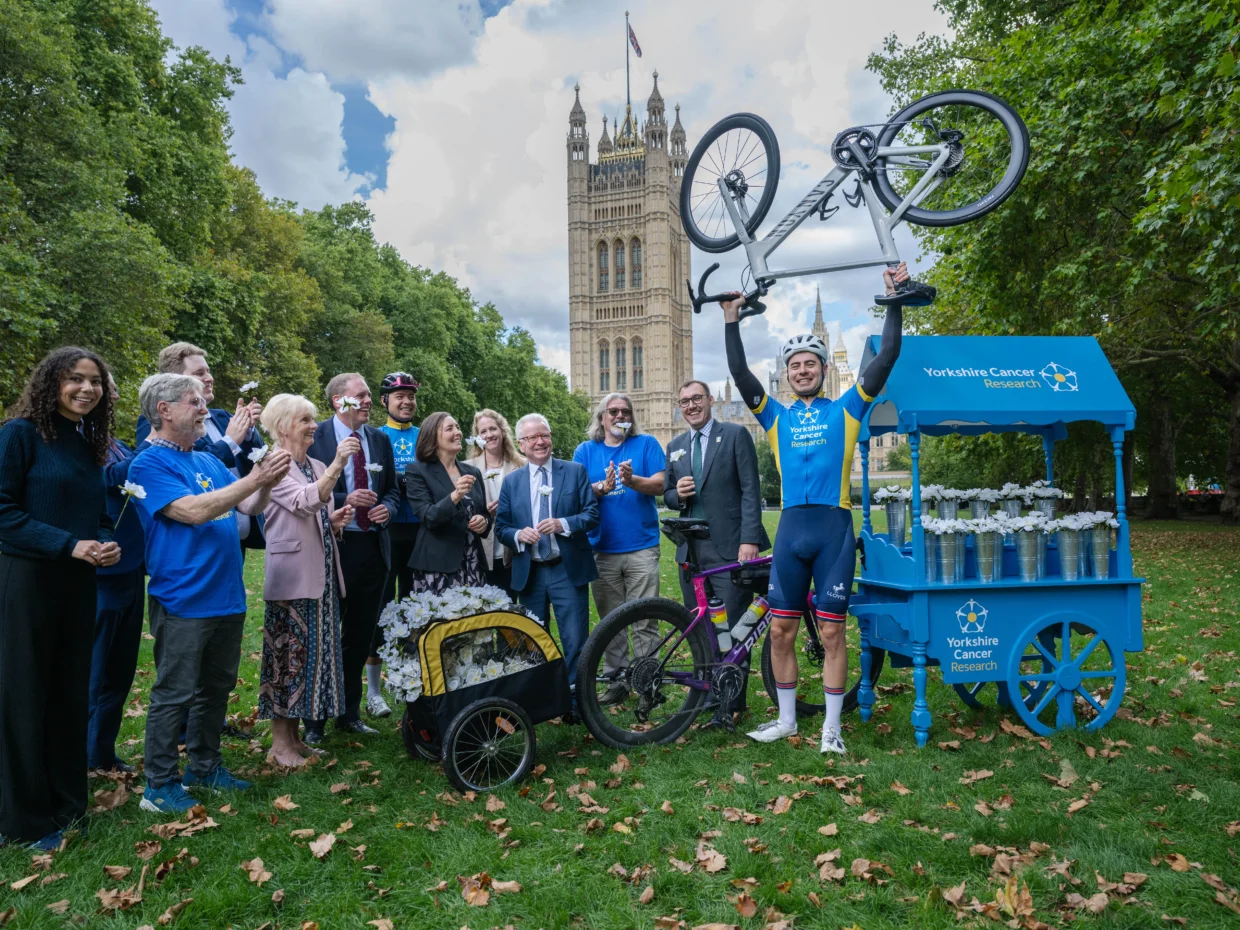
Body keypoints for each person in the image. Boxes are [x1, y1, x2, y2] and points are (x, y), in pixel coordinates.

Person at [723, 263, 909, 754]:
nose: (802, 370)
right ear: (786, 375)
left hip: (832, 529)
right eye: (794, 365)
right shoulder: (775, 416)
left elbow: (887, 355)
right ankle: (786, 720)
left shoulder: (847, 408)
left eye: (810, 364)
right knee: (781, 629)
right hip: (791, 530)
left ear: (824, 370)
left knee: (830, 631)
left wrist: (893, 300)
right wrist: (730, 320)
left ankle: (831, 729)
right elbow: (740, 375)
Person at [130, 373, 291, 814]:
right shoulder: (147, 463)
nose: (205, 409)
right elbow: (194, 511)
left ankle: (203, 767)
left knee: (215, 690)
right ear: (164, 410)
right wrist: (252, 478)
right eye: (194, 401)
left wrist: (267, 481)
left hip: (227, 595)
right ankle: (158, 786)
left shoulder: (206, 459)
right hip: (183, 596)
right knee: (174, 692)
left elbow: (246, 507)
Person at [0, 347, 116, 849]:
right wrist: (68, 544)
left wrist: (105, 537)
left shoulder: (86, 441)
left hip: (77, 584)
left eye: (94, 381)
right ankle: (23, 821)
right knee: (25, 698)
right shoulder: (19, 435)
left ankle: (67, 805)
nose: (86, 388)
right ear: (51, 382)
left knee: (68, 694)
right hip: (27, 582)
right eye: (75, 379)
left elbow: (89, 510)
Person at [251, 394, 357, 767]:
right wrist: (339, 465)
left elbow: (316, 513)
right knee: (288, 661)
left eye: (313, 419)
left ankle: (295, 740)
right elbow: (301, 502)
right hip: (291, 578)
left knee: (311, 658)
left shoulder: (314, 463)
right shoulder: (271, 463)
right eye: (305, 420)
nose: (314, 426)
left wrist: (334, 522)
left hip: (323, 575)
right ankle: (279, 747)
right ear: (282, 426)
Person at [664, 379, 770, 724]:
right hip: (691, 552)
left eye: (696, 399)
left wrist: (750, 539)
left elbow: (751, 489)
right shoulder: (676, 445)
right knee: (701, 630)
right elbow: (666, 494)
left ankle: (731, 704)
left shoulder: (735, 435)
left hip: (729, 548)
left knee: (736, 628)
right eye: (684, 402)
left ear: (710, 400)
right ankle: (709, 696)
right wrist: (675, 493)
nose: (691, 406)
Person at [306, 373, 401, 743]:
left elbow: (391, 490)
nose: (367, 401)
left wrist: (387, 511)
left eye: (367, 396)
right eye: (359, 396)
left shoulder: (378, 439)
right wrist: (346, 499)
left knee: (361, 634)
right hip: (332, 545)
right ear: (338, 402)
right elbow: (305, 489)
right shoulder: (317, 436)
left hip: (373, 548)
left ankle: (349, 712)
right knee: (326, 633)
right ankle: (314, 720)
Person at [572, 393, 666, 705]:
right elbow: (573, 495)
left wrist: (632, 480)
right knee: (610, 621)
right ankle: (616, 681)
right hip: (602, 550)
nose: (619, 415)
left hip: (641, 546)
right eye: (613, 411)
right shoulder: (586, 451)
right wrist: (602, 488)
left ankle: (647, 683)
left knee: (644, 620)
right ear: (601, 418)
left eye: (625, 411)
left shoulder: (646, 444)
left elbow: (661, 484)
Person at [496, 414, 598, 691]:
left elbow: (591, 514)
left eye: (544, 435)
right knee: (532, 642)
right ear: (521, 444)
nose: (540, 442)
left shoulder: (575, 471)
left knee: (576, 641)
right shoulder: (512, 482)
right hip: (530, 574)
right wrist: (518, 535)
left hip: (567, 570)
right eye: (532, 438)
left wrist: (562, 524)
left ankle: (577, 701)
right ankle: (541, 698)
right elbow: (501, 527)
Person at [136, 342, 265, 555]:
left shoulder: (222, 416)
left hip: (233, 535)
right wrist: (231, 441)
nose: (209, 377)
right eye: (199, 372)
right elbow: (183, 475)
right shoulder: (151, 430)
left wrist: (249, 432)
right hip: (191, 551)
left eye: (208, 370)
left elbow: (251, 467)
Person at [87, 373, 147, 774]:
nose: (115, 393)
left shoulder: (114, 441)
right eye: (109, 387)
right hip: (100, 575)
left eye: (110, 385)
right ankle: (76, 757)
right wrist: (156, 450)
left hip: (131, 570)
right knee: (94, 670)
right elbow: (106, 478)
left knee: (120, 670)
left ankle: (101, 754)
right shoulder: (76, 441)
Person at [371, 371, 423, 718]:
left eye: (411, 396)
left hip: (420, 533)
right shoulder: (375, 437)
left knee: (416, 609)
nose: (406, 401)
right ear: (384, 401)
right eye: (399, 396)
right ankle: (373, 692)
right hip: (386, 533)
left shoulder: (425, 435)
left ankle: (415, 682)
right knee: (379, 611)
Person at [404, 412, 490, 593]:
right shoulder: (417, 471)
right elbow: (428, 517)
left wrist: (484, 521)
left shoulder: (473, 472)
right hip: (438, 566)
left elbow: (483, 512)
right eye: (449, 429)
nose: (457, 432)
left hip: (473, 562)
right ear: (433, 438)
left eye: (457, 427)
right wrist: (456, 495)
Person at [465, 409, 524, 593]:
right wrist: (484, 513)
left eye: (493, 429)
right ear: (478, 437)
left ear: (502, 431)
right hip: (481, 551)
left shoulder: (521, 465)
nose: (489, 435)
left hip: (513, 552)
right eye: (483, 431)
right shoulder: (467, 468)